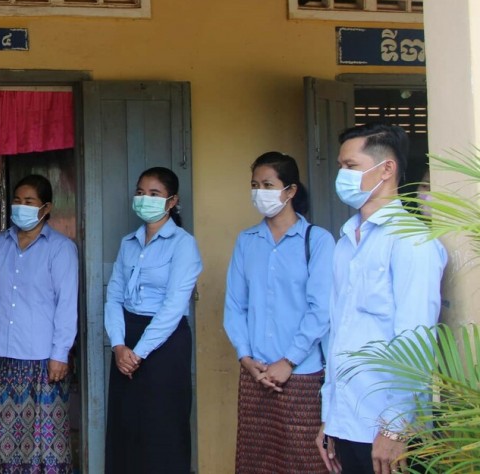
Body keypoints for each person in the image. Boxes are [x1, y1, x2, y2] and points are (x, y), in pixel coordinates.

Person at [316, 123, 447, 474]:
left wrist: (396, 426)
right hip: (348, 422)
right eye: (340, 167)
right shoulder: (345, 242)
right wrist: (331, 415)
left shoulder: (412, 241)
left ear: (386, 169)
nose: (341, 175)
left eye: (350, 167)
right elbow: (338, 334)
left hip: (389, 430)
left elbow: (415, 340)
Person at [224, 152, 335, 473]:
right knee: (256, 462)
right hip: (255, 374)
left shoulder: (318, 241)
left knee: (305, 462)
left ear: (290, 191)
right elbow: (234, 306)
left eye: (268, 185)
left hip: (301, 375)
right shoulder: (246, 241)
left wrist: (288, 361)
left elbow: (321, 310)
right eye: (255, 185)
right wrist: (245, 357)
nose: (259, 192)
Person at [0, 174, 79, 474]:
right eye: (17, 201)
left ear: (46, 208)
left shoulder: (61, 249)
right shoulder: (0, 246)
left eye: (29, 202)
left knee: (48, 440)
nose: (21, 207)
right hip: (5, 358)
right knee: (8, 439)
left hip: (45, 360)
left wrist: (60, 353)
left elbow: (67, 305)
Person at [104, 166, 202, 474]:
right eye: (140, 192)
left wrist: (138, 353)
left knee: (163, 430)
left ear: (172, 201)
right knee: (126, 427)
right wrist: (119, 346)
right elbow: (113, 297)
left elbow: (174, 307)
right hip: (126, 342)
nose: (145, 199)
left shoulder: (183, 244)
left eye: (154, 194)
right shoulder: (128, 243)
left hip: (165, 344)